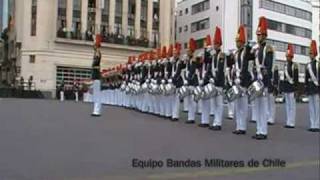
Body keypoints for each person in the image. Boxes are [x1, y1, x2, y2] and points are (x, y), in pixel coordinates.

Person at [252, 17, 274, 140]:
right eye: (257, 35)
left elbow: (269, 66)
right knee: (258, 106)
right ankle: (258, 130)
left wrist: (263, 74)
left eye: (260, 35)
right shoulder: (256, 49)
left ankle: (263, 131)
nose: (258, 37)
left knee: (264, 107)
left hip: (264, 82)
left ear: (264, 35)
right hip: (257, 80)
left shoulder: (268, 48)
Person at [231, 25, 254, 135]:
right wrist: (234, 79)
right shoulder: (236, 53)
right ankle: (238, 126)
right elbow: (234, 67)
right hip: (237, 82)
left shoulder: (246, 51)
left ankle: (243, 127)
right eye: (236, 41)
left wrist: (242, 78)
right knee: (237, 106)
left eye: (239, 41)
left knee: (243, 106)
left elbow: (247, 67)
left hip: (244, 82)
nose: (237, 43)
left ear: (242, 42)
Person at [209, 27, 226, 131]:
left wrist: (215, 80)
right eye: (214, 43)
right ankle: (215, 122)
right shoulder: (214, 56)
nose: (214, 45)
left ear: (219, 44)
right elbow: (211, 69)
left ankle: (218, 123)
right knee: (214, 103)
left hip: (219, 83)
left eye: (216, 43)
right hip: (214, 82)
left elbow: (220, 70)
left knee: (219, 104)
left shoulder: (222, 55)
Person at [281, 44, 298, 128]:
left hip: (292, 88)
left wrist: (295, 90)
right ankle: (288, 122)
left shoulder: (294, 66)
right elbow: (284, 78)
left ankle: (292, 122)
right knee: (287, 106)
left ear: (292, 57)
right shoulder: (285, 66)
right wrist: (283, 89)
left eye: (289, 56)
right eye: (287, 56)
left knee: (292, 106)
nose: (287, 58)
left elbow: (295, 79)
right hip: (287, 88)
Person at [305, 40, 320, 132]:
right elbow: (306, 78)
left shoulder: (318, 64)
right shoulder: (308, 65)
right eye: (309, 53)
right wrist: (306, 87)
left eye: (311, 53)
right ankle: (312, 124)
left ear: (315, 54)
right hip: (310, 87)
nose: (310, 55)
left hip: (316, 88)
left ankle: (317, 125)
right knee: (311, 107)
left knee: (317, 108)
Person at [185, 38, 197, 124]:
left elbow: (192, 71)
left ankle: (192, 118)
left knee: (192, 101)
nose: (187, 51)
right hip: (189, 81)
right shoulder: (188, 59)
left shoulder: (193, 59)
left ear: (191, 51)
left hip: (192, 82)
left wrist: (188, 80)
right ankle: (190, 117)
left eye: (188, 50)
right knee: (189, 100)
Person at [171, 43, 184, 121]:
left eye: (175, 54)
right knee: (173, 99)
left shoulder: (180, 62)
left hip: (177, 82)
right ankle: (173, 114)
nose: (174, 55)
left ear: (178, 54)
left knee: (176, 100)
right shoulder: (174, 62)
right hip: (173, 81)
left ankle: (175, 116)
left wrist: (173, 79)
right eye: (173, 53)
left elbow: (178, 72)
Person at [91, 34, 102, 116]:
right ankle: (95, 109)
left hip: (97, 74)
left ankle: (97, 110)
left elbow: (97, 55)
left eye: (94, 46)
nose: (93, 47)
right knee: (95, 93)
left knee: (97, 93)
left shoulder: (98, 53)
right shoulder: (96, 53)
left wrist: (96, 41)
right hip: (95, 74)